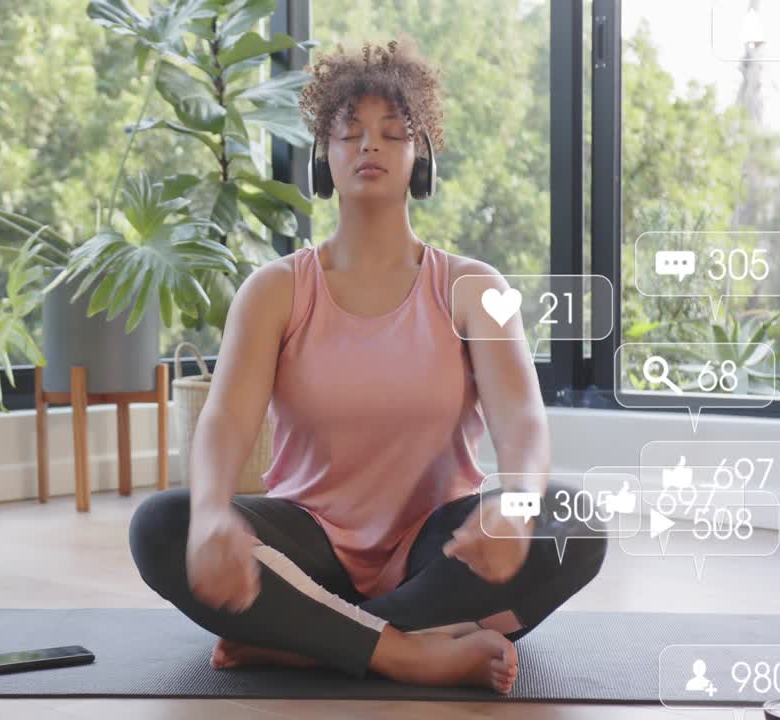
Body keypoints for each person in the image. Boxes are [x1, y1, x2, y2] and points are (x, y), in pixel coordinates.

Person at [129, 35, 607, 695]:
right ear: (323, 158)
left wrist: (519, 510)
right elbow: (225, 419)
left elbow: (522, 416)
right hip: (308, 547)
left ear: (422, 156)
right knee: (161, 526)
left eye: (392, 131)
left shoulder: (477, 288)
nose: (369, 145)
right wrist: (211, 514)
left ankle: (310, 642)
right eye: (347, 133)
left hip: (438, 554)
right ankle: (408, 655)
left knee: (574, 521)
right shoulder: (274, 290)